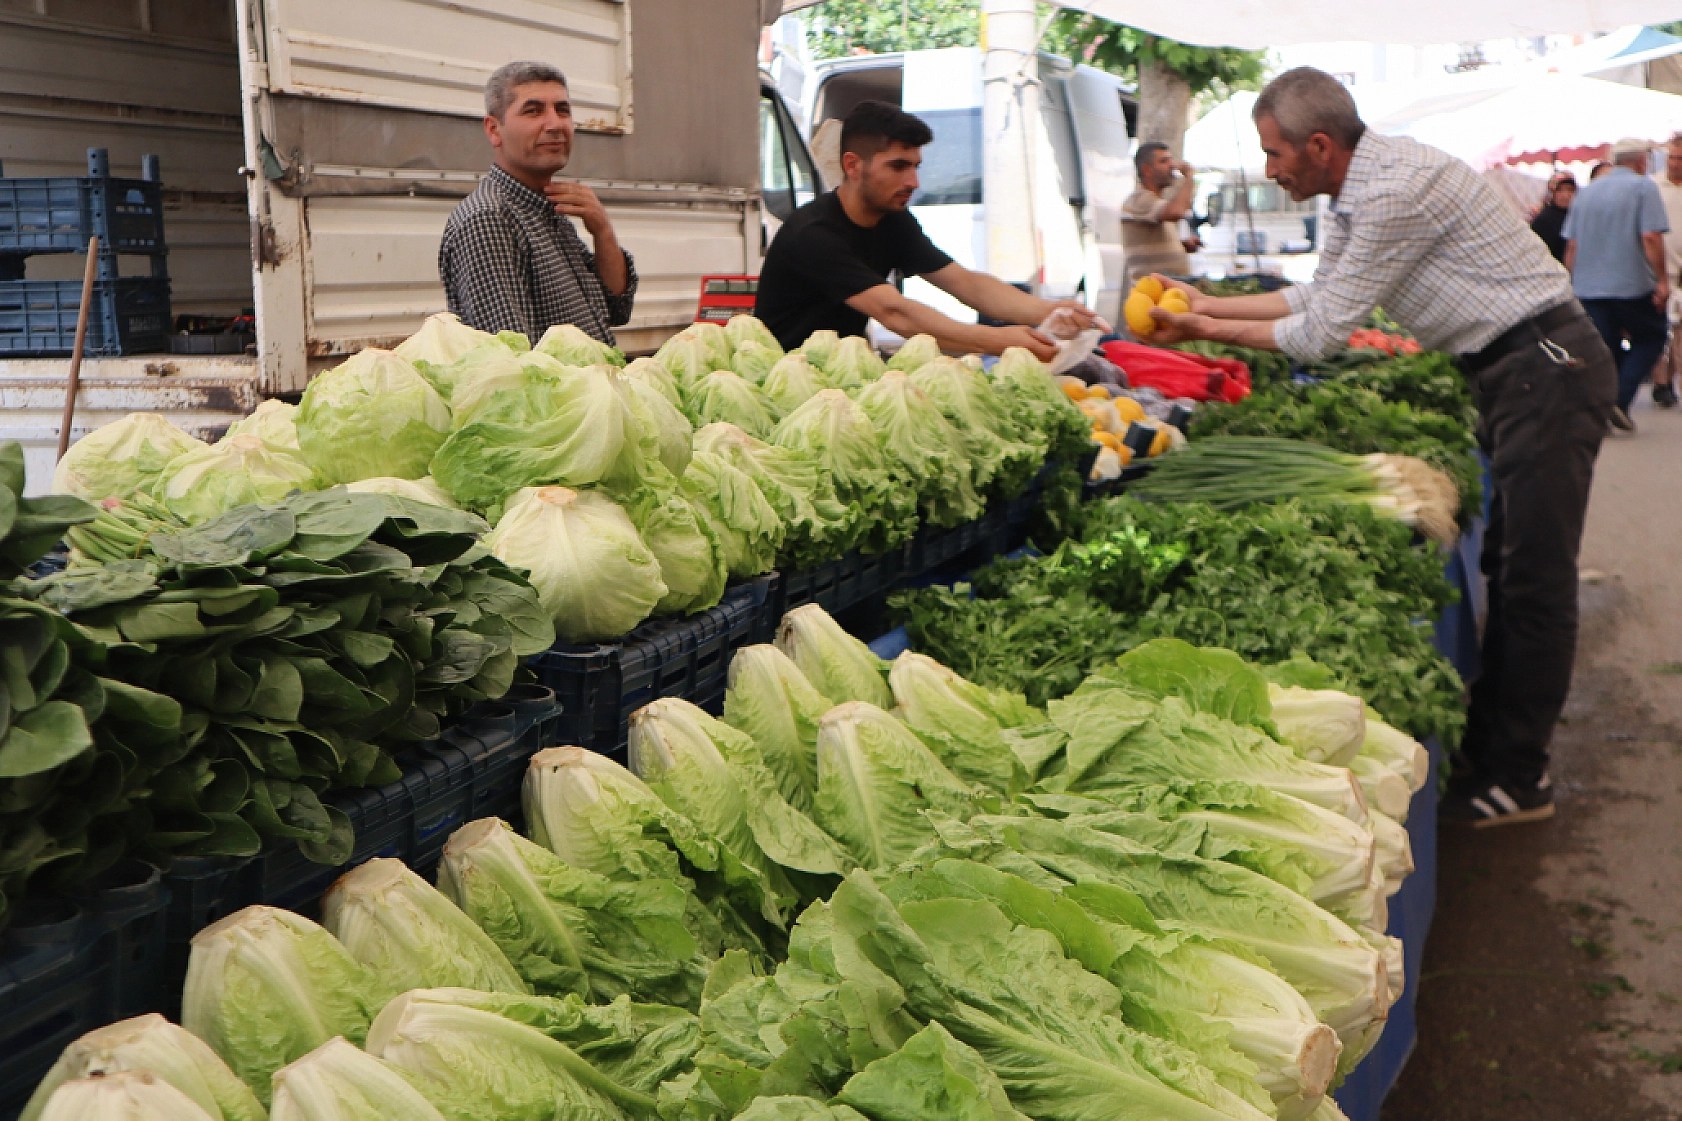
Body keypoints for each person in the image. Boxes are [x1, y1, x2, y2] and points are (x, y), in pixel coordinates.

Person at [1141, 67, 1615, 829]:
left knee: (1536, 580)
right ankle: (1495, 747)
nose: (1269, 169)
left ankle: (1520, 776)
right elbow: (1318, 292)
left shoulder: (1392, 190)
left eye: (1274, 153)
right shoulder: (1361, 186)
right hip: (1516, 372)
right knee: (1510, 566)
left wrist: (1204, 327)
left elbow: (1322, 332)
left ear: (1318, 146)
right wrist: (1208, 302)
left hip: (1543, 369)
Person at [753, 100, 1098, 359]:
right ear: (853, 166)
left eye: (916, 167)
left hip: (841, 373)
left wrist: (1051, 311)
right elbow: (894, 313)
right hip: (785, 382)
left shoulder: (892, 219)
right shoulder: (813, 234)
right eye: (898, 166)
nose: (913, 182)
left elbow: (967, 284)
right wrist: (996, 340)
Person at [439, 60, 635, 346]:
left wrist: (602, 231)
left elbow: (616, 310)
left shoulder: (548, 209)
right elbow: (511, 358)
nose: (555, 125)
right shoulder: (489, 220)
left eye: (562, 110)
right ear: (494, 130)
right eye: (533, 111)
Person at [1562, 137, 1669, 432]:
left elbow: (1572, 245)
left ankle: (1598, 409)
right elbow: (1650, 237)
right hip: (1631, 284)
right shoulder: (1643, 187)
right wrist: (1662, 280)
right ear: (1641, 161)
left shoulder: (1586, 193)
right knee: (1651, 337)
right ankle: (1618, 400)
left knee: (1604, 349)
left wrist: (1570, 283)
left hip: (1588, 286)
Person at [1122, 143, 1200, 282]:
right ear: (1147, 170)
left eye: (1171, 160)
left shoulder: (1156, 202)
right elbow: (1177, 212)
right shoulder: (1140, 199)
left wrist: (1181, 245)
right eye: (1164, 161)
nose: (1172, 165)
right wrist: (1189, 177)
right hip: (1152, 290)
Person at [1653, 136, 1682, 408]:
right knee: (1660, 331)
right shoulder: (1653, 187)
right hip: (1659, 271)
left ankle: (1669, 382)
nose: (1674, 163)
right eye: (1671, 157)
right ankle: (1661, 383)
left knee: (1679, 334)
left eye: (1680, 159)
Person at [1529, 173, 1576, 263]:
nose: (1565, 195)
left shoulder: (1580, 218)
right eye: (1560, 190)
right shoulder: (1543, 219)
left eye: (1570, 190)